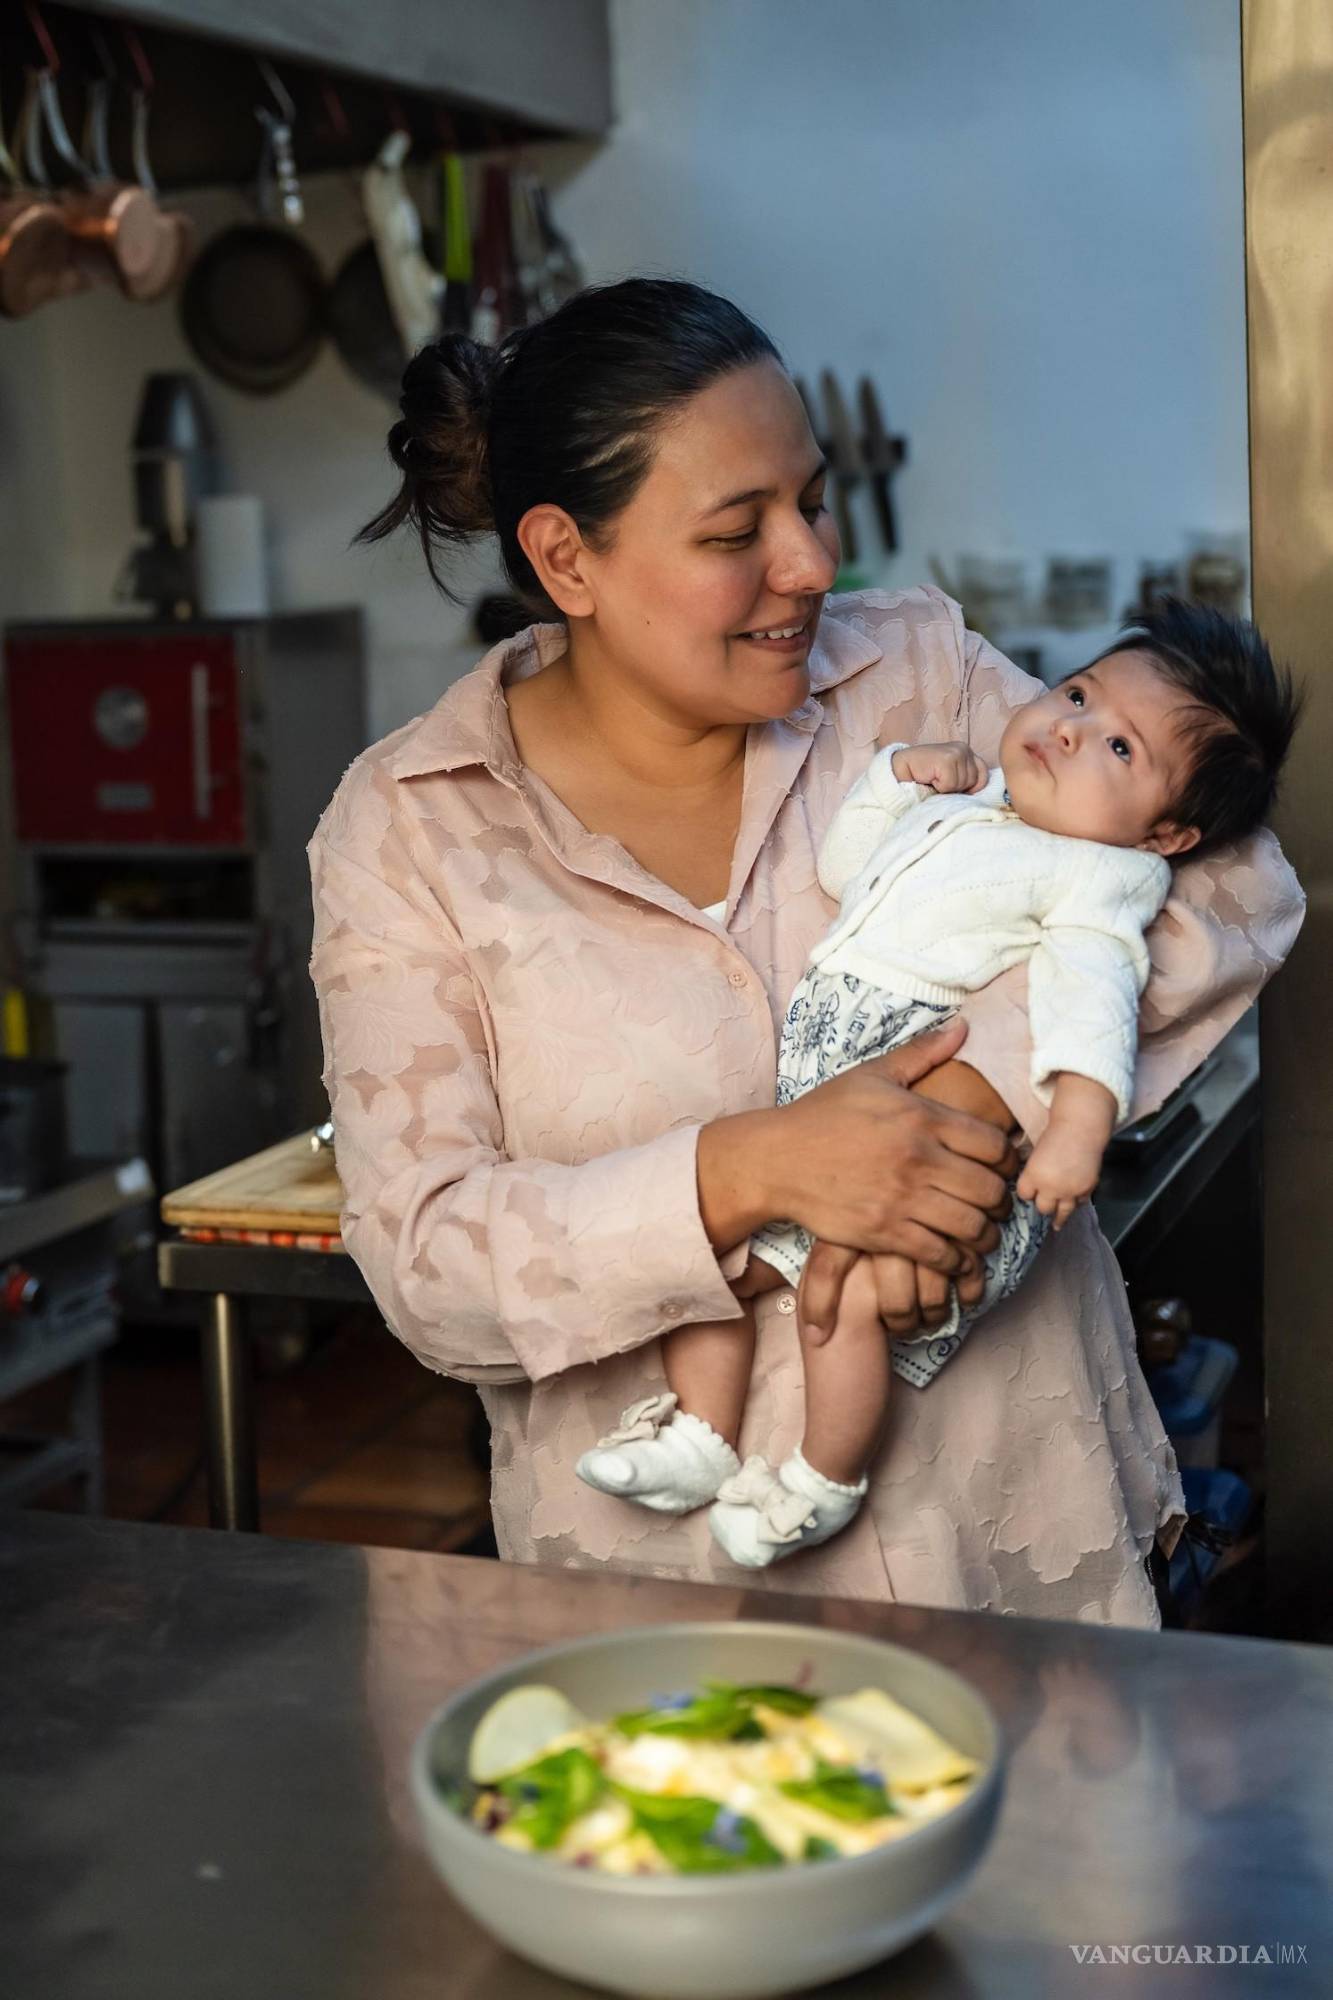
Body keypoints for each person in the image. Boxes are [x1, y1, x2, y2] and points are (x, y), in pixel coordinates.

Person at [309, 277, 1304, 1625]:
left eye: (812, 502)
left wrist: (969, 1097)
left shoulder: (910, 673)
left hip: (1014, 1562)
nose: (812, 567)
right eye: (739, 531)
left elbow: (1234, 882)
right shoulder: (411, 825)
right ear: (566, 560)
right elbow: (426, 1259)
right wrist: (747, 1171)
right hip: (666, 1613)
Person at [575, 604, 1297, 1569]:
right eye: (1077, 693)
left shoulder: (1096, 877)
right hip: (826, 1080)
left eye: (1118, 746)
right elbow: (847, 873)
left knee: (853, 1296)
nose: (1071, 725)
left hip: (921, 1119)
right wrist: (891, 781)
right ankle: (701, 1436)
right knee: (716, 1259)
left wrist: (1077, 1124)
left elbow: (1093, 1000)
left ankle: (821, 1479)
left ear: (1164, 835)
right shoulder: (979, 804)